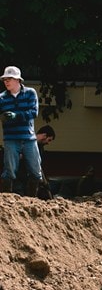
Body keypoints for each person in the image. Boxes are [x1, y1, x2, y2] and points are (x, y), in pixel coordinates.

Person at [0, 66, 42, 196]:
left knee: (35, 171)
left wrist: (15, 116)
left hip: (28, 138)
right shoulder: (1, 98)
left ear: (18, 80)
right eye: (5, 79)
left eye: (10, 79)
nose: (6, 81)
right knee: (9, 171)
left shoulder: (30, 93)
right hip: (11, 139)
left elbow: (34, 112)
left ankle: (31, 200)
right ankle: (6, 201)